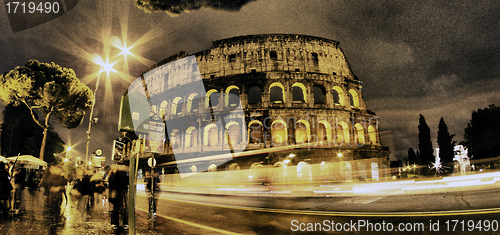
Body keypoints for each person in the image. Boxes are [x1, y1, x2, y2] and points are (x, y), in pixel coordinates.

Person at [107, 159, 129, 230]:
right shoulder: (114, 174)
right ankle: (117, 223)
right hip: (117, 192)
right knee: (117, 209)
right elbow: (111, 183)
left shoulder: (120, 173)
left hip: (121, 192)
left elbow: (127, 181)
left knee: (120, 209)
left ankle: (121, 223)